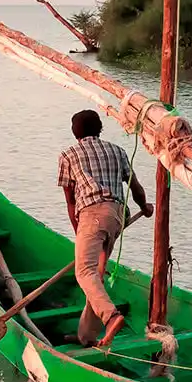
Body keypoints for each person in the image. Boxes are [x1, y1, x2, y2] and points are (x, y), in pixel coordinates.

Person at [57, 109, 152, 347]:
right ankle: (87, 336)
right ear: (99, 129)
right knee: (95, 276)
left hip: (92, 215)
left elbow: (71, 202)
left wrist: (79, 231)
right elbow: (136, 187)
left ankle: (111, 317)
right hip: (117, 216)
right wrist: (145, 206)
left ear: (74, 132)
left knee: (84, 272)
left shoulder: (68, 155)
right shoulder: (117, 151)